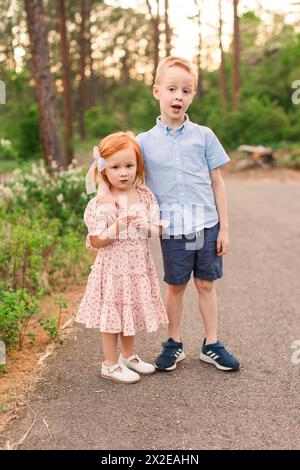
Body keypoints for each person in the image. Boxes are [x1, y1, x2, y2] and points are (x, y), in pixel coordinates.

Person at [136, 56, 240, 372]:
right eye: (171, 89)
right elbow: (127, 178)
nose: (178, 96)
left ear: (192, 96)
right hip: (174, 229)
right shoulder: (143, 142)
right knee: (176, 285)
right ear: (157, 91)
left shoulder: (204, 135)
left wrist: (224, 229)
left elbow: (217, 183)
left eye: (185, 90)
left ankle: (211, 344)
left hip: (206, 225)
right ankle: (174, 342)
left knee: (206, 284)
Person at [76, 131, 169, 384]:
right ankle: (109, 363)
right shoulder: (101, 203)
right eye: (116, 167)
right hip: (113, 267)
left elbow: (159, 228)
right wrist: (116, 226)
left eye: (129, 165)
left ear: (138, 165)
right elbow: (95, 242)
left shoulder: (145, 195)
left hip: (137, 265)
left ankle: (128, 356)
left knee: (129, 310)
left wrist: (144, 226)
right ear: (104, 171)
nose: (124, 172)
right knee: (113, 312)